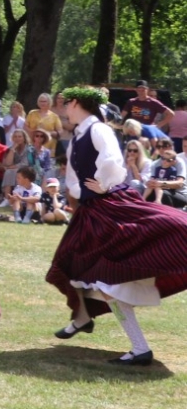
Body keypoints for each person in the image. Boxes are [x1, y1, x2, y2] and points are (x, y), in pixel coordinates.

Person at [47, 86, 187, 365]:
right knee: (71, 264)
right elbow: (74, 176)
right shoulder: (80, 133)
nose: (62, 108)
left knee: (108, 277)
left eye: (64, 104)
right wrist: (80, 192)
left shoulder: (97, 129)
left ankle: (139, 348)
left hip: (110, 206)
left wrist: (102, 184)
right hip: (93, 210)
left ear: (75, 103)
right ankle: (82, 318)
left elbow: (112, 160)